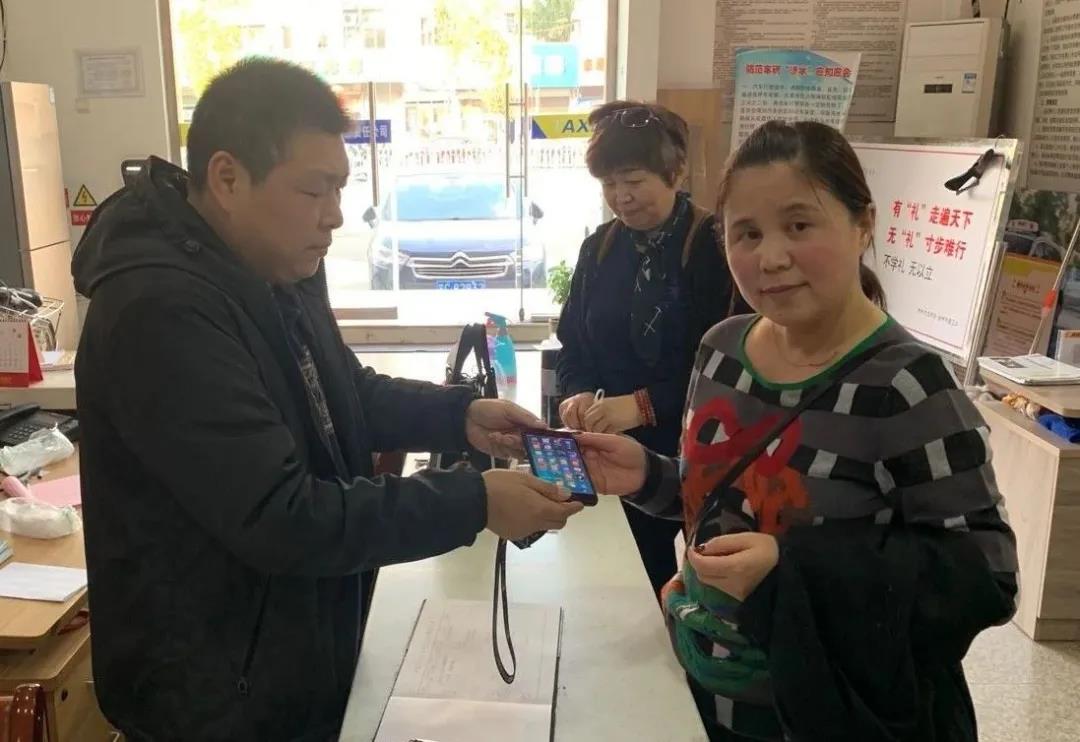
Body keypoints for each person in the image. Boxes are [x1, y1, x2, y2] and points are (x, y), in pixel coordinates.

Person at [72, 58, 583, 742]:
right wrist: (475, 502)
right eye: (315, 190)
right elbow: (280, 516)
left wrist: (457, 415)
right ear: (227, 178)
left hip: (292, 658)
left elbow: (341, 391)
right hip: (216, 698)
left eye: (340, 188)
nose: (336, 216)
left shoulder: (273, 266)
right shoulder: (160, 310)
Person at [576, 121, 1018, 740]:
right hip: (703, 692)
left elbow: (987, 578)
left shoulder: (907, 384)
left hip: (829, 712)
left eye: (799, 225)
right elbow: (725, 507)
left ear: (863, 224)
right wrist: (647, 477)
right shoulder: (721, 350)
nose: (771, 257)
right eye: (747, 233)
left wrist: (793, 569)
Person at [556, 101, 747, 598]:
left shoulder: (715, 247)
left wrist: (642, 405)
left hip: (698, 452)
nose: (620, 197)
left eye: (634, 180)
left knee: (706, 584)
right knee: (627, 583)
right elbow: (574, 345)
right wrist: (577, 393)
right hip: (611, 454)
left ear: (675, 172)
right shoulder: (599, 248)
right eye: (608, 183)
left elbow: (729, 368)